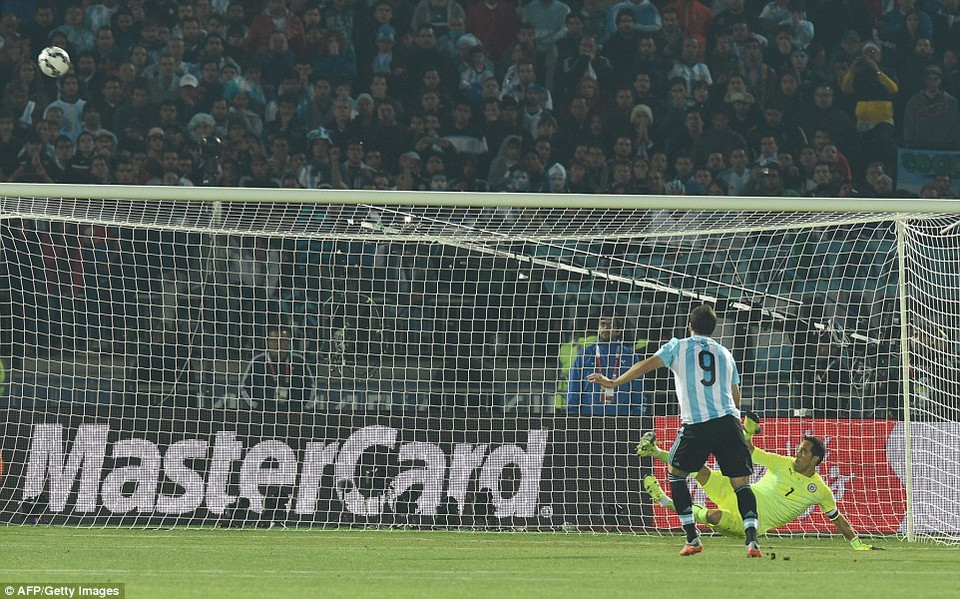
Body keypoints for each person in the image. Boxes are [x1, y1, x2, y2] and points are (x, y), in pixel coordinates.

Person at [587, 304, 762, 557]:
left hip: (698, 423)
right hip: (729, 422)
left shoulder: (677, 346)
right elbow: (735, 396)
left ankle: (692, 537)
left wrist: (614, 382)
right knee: (741, 484)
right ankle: (752, 541)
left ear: (689, 326)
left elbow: (647, 365)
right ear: (713, 329)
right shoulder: (725, 352)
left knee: (676, 474)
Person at [638, 413, 884, 551]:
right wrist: (747, 434)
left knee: (712, 517)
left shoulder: (821, 490)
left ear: (816, 459)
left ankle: (667, 502)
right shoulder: (782, 462)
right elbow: (751, 450)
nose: (797, 454)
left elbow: (837, 518)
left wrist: (856, 543)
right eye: (798, 450)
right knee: (699, 470)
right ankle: (657, 451)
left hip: (751, 519)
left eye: (804, 452)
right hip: (741, 493)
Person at [565, 316, 647, 415]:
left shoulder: (630, 356)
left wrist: (639, 416)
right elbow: (574, 388)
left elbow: (638, 390)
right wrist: (571, 415)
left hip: (620, 419)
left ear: (618, 331)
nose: (605, 328)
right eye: (602, 324)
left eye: (610, 325)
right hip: (589, 419)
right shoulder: (585, 355)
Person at [239, 325, 316, 410]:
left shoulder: (299, 362)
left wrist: (304, 407)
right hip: (264, 414)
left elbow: (311, 387)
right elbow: (244, 388)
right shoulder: (257, 362)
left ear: (289, 342)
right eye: (274, 341)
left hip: (293, 414)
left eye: (283, 341)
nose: (278, 344)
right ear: (267, 342)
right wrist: (256, 407)